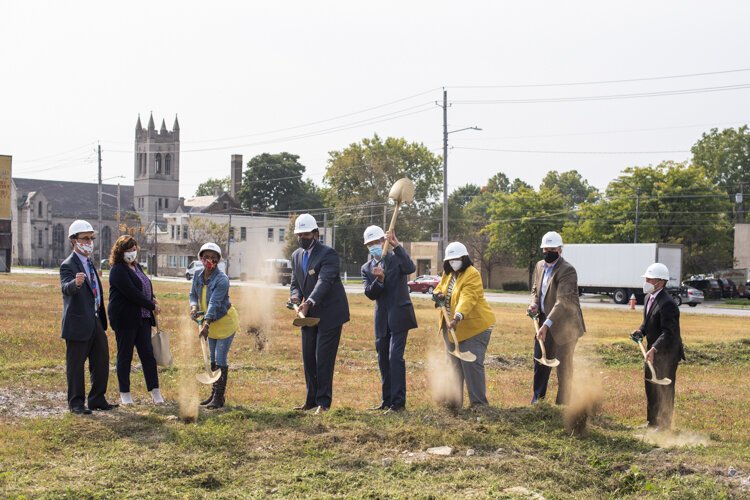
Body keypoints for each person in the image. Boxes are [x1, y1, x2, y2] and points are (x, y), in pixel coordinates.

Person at [289, 214, 350, 415]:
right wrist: (296, 299)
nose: (302, 238)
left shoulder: (328, 254)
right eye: (299, 234)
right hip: (308, 315)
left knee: (323, 357)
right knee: (308, 357)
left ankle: (323, 403)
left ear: (316, 234)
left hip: (330, 313)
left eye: (306, 234)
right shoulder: (296, 255)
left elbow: (324, 282)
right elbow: (295, 283)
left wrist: (309, 302)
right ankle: (311, 400)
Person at [59, 220, 117, 414]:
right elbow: (66, 288)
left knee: (101, 363)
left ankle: (97, 399)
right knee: (75, 366)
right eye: (85, 238)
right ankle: (76, 403)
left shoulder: (90, 263)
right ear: (73, 241)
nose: (89, 242)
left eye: (91, 238)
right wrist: (75, 283)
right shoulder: (68, 265)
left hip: (95, 320)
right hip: (77, 323)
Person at [360, 225, 417, 414]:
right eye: (370, 244)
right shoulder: (367, 268)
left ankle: (398, 403)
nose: (373, 246)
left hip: (400, 316)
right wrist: (380, 280)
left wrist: (397, 245)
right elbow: (370, 293)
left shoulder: (396, 260)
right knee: (383, 359)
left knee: (395, 357)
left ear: (384, 241)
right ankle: (386, 400)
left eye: (376, 242)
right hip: (381, 320)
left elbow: (410, 267)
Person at [432, 242, 495, 409]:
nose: (453, 262)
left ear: (464, 258)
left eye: (456, 259)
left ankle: (479, 405)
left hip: (473, 328)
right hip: (451, 328)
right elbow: (439, 288)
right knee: (454, 366)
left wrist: (457, 317)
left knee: (471, 366)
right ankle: (454, 403)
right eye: (450, 260)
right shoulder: (449, 274)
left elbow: (468, 298)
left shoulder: (472, 274)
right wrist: (436, 294)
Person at [527, 231, 586, 405]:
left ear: (560, 250)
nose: (547, 252)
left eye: (552, 249)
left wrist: (547, 324)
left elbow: (563, 301)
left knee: (563, 366)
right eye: (545, 249)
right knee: (540, 360)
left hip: (566, 325)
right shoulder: (539, 266)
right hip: (544, 320)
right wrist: (534, 304)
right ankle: (538, 400)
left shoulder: (567, 270)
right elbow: (535, 289)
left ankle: (563, 404)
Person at [107, 235, 163, 405]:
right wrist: (151, 305)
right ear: (120, 252)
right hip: (125, 318)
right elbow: (132, 293)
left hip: (143, 318)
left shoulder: (136, 267)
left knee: (148, 355)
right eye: (128, 250)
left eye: (134, 249)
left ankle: (155, 392)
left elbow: (144, 286)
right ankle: (125, 394)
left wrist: (152, 298)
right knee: (125, 355)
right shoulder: (117, 270)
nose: (132, 252)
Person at [630, 263, 685, 430]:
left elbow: (669, 332)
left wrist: (654, 349)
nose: (646, 281)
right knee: (651, 386)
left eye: (649, 278)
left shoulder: (668, 303)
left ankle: (665, 424)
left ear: (660, 282)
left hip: (667, 352)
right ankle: (652, 421)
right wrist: (640, 331)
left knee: (664, 388)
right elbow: (648, 323)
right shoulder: (648, 298)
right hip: (652, 351)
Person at [189, 242, 240, 409]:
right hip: (208, 322)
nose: (209, 260)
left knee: (220, 358)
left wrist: (206, 324)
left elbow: (214, 303)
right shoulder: (197, 275)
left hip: (224, 322)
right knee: (211, 358)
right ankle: (213, 394)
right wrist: (194, 307)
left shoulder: (222, 279)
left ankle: (219, 397)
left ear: (218, 260)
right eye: (206, 257)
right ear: (201, 258)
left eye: (213, 258)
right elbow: (193, 295)